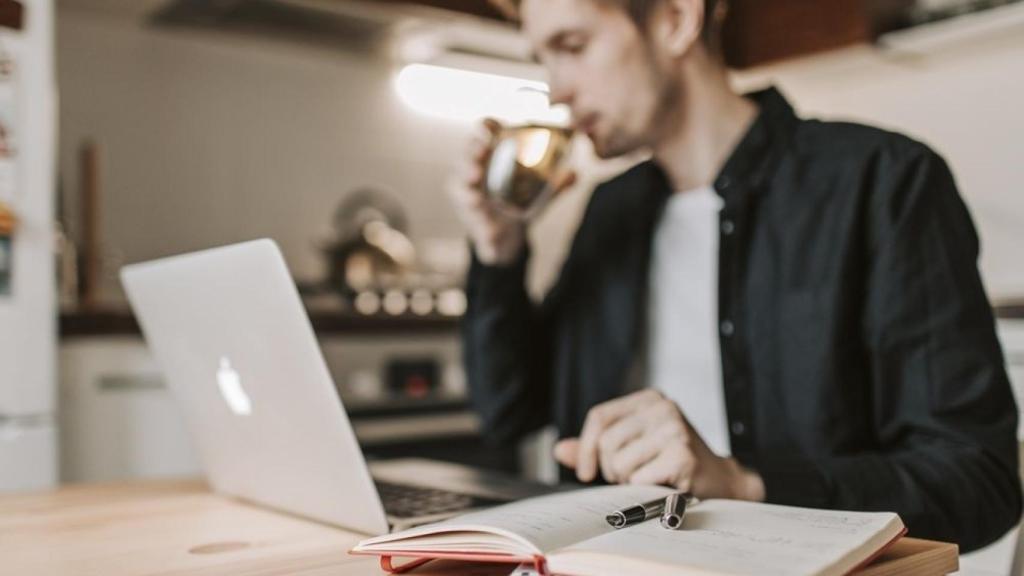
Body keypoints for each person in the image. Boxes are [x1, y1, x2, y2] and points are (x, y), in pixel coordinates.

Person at [450, 0, 1021, 552]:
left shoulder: (882, 180)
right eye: (543, 59)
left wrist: (744, 484)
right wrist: (499, 250)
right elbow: (509, 412)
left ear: (676, 19)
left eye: (572, 46)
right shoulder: (610, 210)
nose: (558, 90)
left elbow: (978, 482)